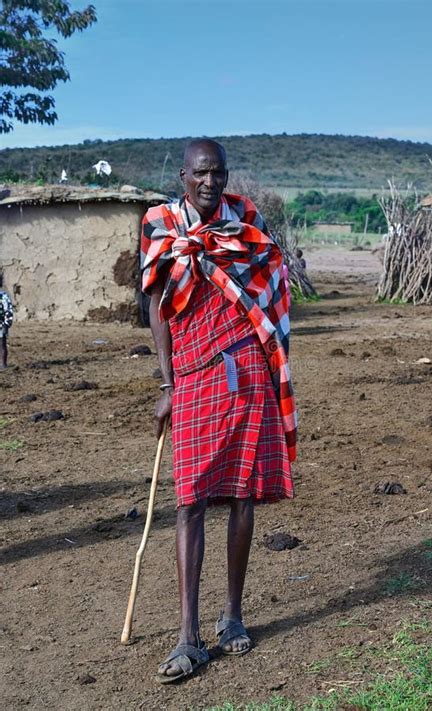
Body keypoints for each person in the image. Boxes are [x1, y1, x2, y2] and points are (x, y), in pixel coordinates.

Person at [140, 139, 297, 683]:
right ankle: (188, 635)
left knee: (243, 492)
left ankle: (232, 616)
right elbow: (156, 308)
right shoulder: (159, 225)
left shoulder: (245, 220)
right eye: (202, 173)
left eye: (219, 173)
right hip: (194, 373)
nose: (211, 182)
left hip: (248, 369)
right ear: (183, 174)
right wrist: (168, 383)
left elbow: (270, 284)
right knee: (189, 499)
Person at [0, 278, 14, 370]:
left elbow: (8, 311)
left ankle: (3, 364)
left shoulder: (3, 296)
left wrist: (6, 324)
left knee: (2, 344)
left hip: (1, 324)